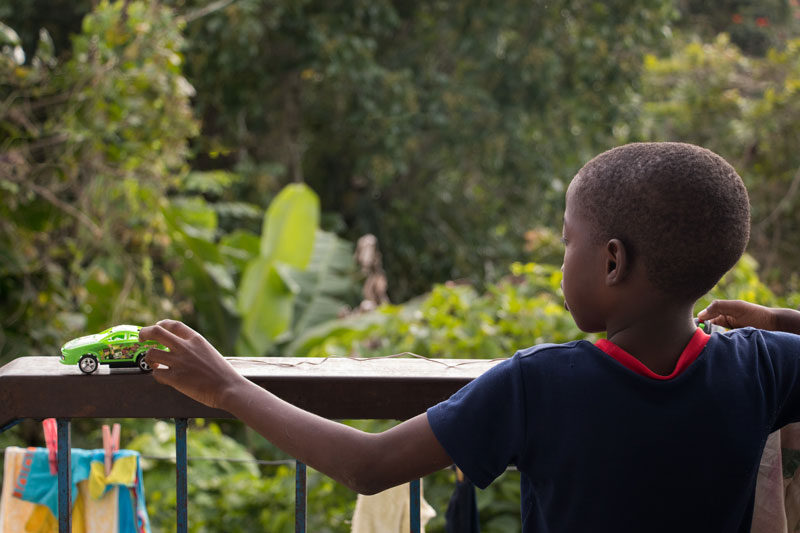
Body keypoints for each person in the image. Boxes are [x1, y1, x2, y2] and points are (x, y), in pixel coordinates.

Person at [140, 142, 800, 532]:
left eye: (568, 239)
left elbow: (367, 466)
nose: (560, 259)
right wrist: (779, 321)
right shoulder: (762, 368)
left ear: (612, 261)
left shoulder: (541, 383)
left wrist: (227, 385)